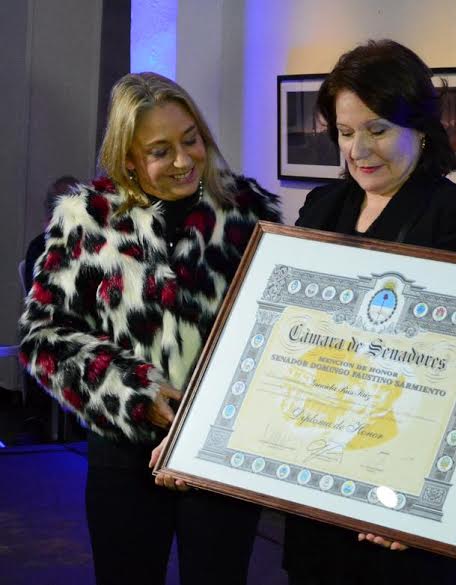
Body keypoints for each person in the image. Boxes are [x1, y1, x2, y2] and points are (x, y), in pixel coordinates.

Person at [18, 72, 281, 585]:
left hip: (221, 448)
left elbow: (275, 331)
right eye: (160, 151)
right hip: (125, 452)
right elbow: (43, 334)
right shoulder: (88, 220)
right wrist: (135, 394)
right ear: (129, 158)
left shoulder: (247, 214)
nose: (184, 160)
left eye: (191, 139)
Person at [282, 39, 456, 585]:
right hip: (318, 480)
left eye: (377, 130)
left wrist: (416, 500)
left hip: (401, 493)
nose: (359, 150)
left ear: (421, 129)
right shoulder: (321, 206)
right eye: (346, 133)